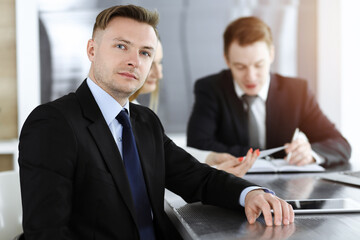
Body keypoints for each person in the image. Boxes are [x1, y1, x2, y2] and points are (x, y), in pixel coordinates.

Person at [18, 6, 294, 240]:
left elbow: (196, 177)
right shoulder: (53, 124)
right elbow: (46, 232)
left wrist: (250, 193)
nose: (133, 61)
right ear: (92, 50)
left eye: (145, 53)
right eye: (121, 46)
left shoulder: (144, 121)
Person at [187, 16, 351, 167]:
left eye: (259, 65)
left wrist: (310, 153)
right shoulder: (210, 88)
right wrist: (265, 157)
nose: (251, 77)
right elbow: (197, 146)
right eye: (240, 67)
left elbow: (340, 144)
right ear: (227, 60)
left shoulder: (296, 91)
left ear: (272, 54)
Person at [130, 40, 256, 177]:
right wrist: (212, 175)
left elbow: (164, 154)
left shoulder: (137, 111)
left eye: (159, 63)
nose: (159, 74)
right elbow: (152, 180)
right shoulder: (125, 115)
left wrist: (209, 158)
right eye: (150, 62)